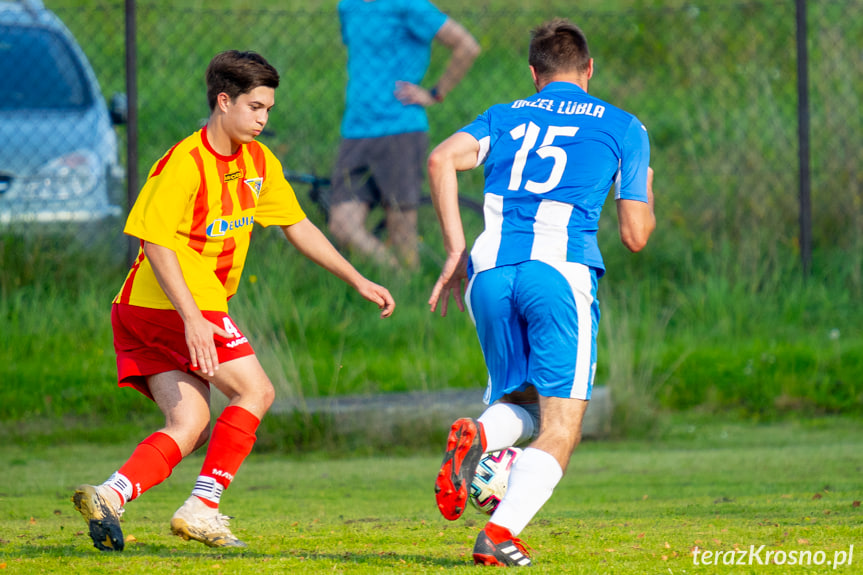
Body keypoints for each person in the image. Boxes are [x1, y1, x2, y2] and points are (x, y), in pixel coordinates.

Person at [71, 50, 395, 552]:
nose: (264, 119)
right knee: (256, 391)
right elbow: (155, 242)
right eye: (255, 107)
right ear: (224, 102)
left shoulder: (257, 163)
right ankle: (202, 507)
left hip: (145, 311)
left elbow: (297, 225)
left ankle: (111, 494)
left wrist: (356, 278)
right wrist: (194, 318)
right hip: (171, 305)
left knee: (191, 424)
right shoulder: (184, 162)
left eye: (269, 109)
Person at [427, 19, 655, 567]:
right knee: (562, 426)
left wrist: (456, 251)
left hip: (490, 270)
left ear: (534, 75)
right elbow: (635, 236)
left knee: (522, 401)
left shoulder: (505, 116)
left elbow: (439, 159)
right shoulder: (623, 126)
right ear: (589, 70)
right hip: (557, 275)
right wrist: (642, 187)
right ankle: (499, 533)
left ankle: (479, 434)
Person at [328, 0, 480, 269]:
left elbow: (467, 46)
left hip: (400, 130)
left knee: (403, 234)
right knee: (341, 225)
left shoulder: (409, 5)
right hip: (354, 130)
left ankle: (408, 294)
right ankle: (395, 279)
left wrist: (435, 93)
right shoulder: (347, 6)